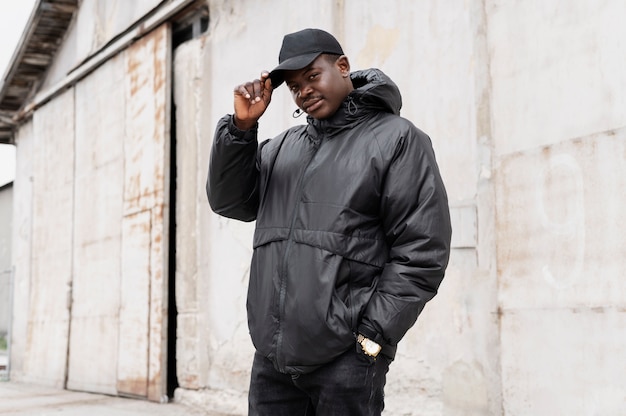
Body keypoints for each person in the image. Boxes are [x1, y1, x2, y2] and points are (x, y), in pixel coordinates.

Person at [207, 28, 452, 416]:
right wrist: (241, 128)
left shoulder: (397, 139)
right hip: (273, 361)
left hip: (346, 361)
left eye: (312, 76)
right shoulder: (281, 149)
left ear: (342, 67)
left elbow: (422, 250)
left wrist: (372, 338)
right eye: (294, 86)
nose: (304, 91)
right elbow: (229, 201)